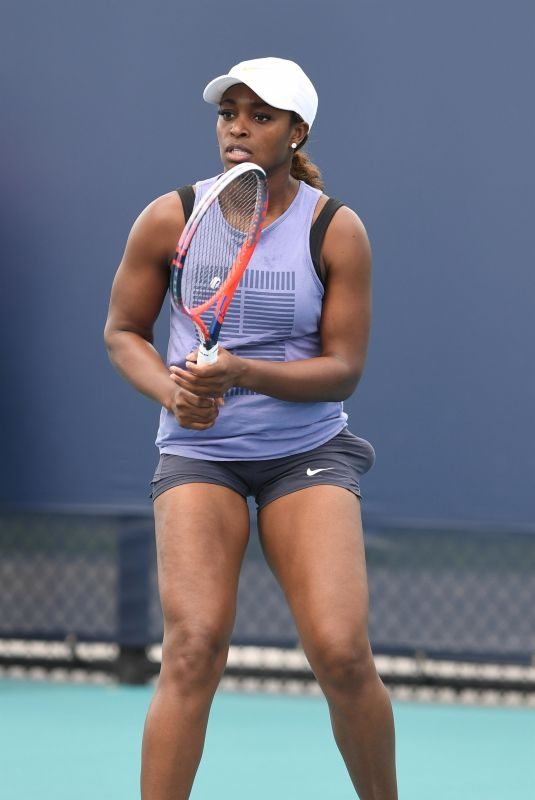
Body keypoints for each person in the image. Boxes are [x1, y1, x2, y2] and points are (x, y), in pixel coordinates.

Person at [104, 56, 398, 800]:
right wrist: (174, 399)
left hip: (305, 453)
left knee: (340, 654)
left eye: (260, 116)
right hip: (200, 456)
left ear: (296, 132)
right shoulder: (171, 215)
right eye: (228, 112)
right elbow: (123, 333)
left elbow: (342, 370)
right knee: (194, 649)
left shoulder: (336, 229)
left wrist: (241, 374)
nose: (237, 127)